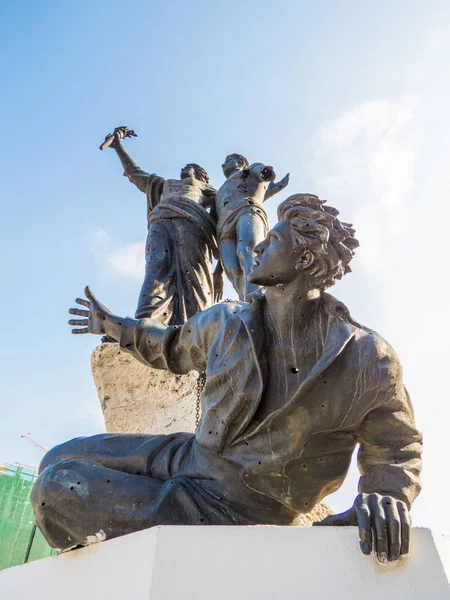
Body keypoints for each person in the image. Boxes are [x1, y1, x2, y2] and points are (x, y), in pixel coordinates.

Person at [32, 194, 422, 562]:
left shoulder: (366, 356)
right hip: (190, 455)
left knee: (55, 490)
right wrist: (111, 325)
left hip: (238, 505)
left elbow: (397, 446)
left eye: (273, 241)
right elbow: (167, 345)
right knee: (55, 457)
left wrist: (387, 494)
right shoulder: (227, 320)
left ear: (304, 259)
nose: (257, 248)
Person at [103, 126, 223, 324]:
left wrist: (220, 270)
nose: (183, 169)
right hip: (161, 220)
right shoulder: (164, 184)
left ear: (201, 174)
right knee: (155, 266)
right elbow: (135, 174)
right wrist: (118, 146)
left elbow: (229, 215)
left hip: (193, 224)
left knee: (193, 274)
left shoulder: (208, 190)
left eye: (188, 166)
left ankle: (196, 328)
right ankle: (144, 323)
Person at [216, 154, 289, 299]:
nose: (223, 165)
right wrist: (217, 272)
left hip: (247, 211)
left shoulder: (250, 170)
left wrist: (265, 173)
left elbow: (261, 172)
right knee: (232, 269)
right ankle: (245, 301)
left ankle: (254, 299)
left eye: (228, 161)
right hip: (224, 227)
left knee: (247, 251)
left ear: (240, 162)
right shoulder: (219, 192)